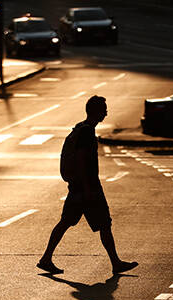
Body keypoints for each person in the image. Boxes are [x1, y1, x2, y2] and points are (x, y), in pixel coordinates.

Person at [37, 96, 138, 275]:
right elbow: (83, 161)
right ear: (96, 111)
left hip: (78, 187)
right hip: (87, 187)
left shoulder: (81, 128)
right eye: (104, 109)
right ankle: (116, 263)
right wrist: (88, 188)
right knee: (104, 223)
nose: (106, 113)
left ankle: (46, 258)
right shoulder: (87, 132)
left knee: (66, 222)